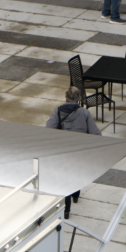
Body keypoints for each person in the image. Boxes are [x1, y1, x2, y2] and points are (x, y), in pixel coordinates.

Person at [46, 87, 102, 219]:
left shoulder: (58, 111)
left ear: (66, 97)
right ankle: (76, 196)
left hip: (63, 151)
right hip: (79, 151)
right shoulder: (84, 113)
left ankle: (66, 211)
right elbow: (96, 134)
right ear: (79, 99)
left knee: (64, 180)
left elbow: (48, 130)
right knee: (76, 174)